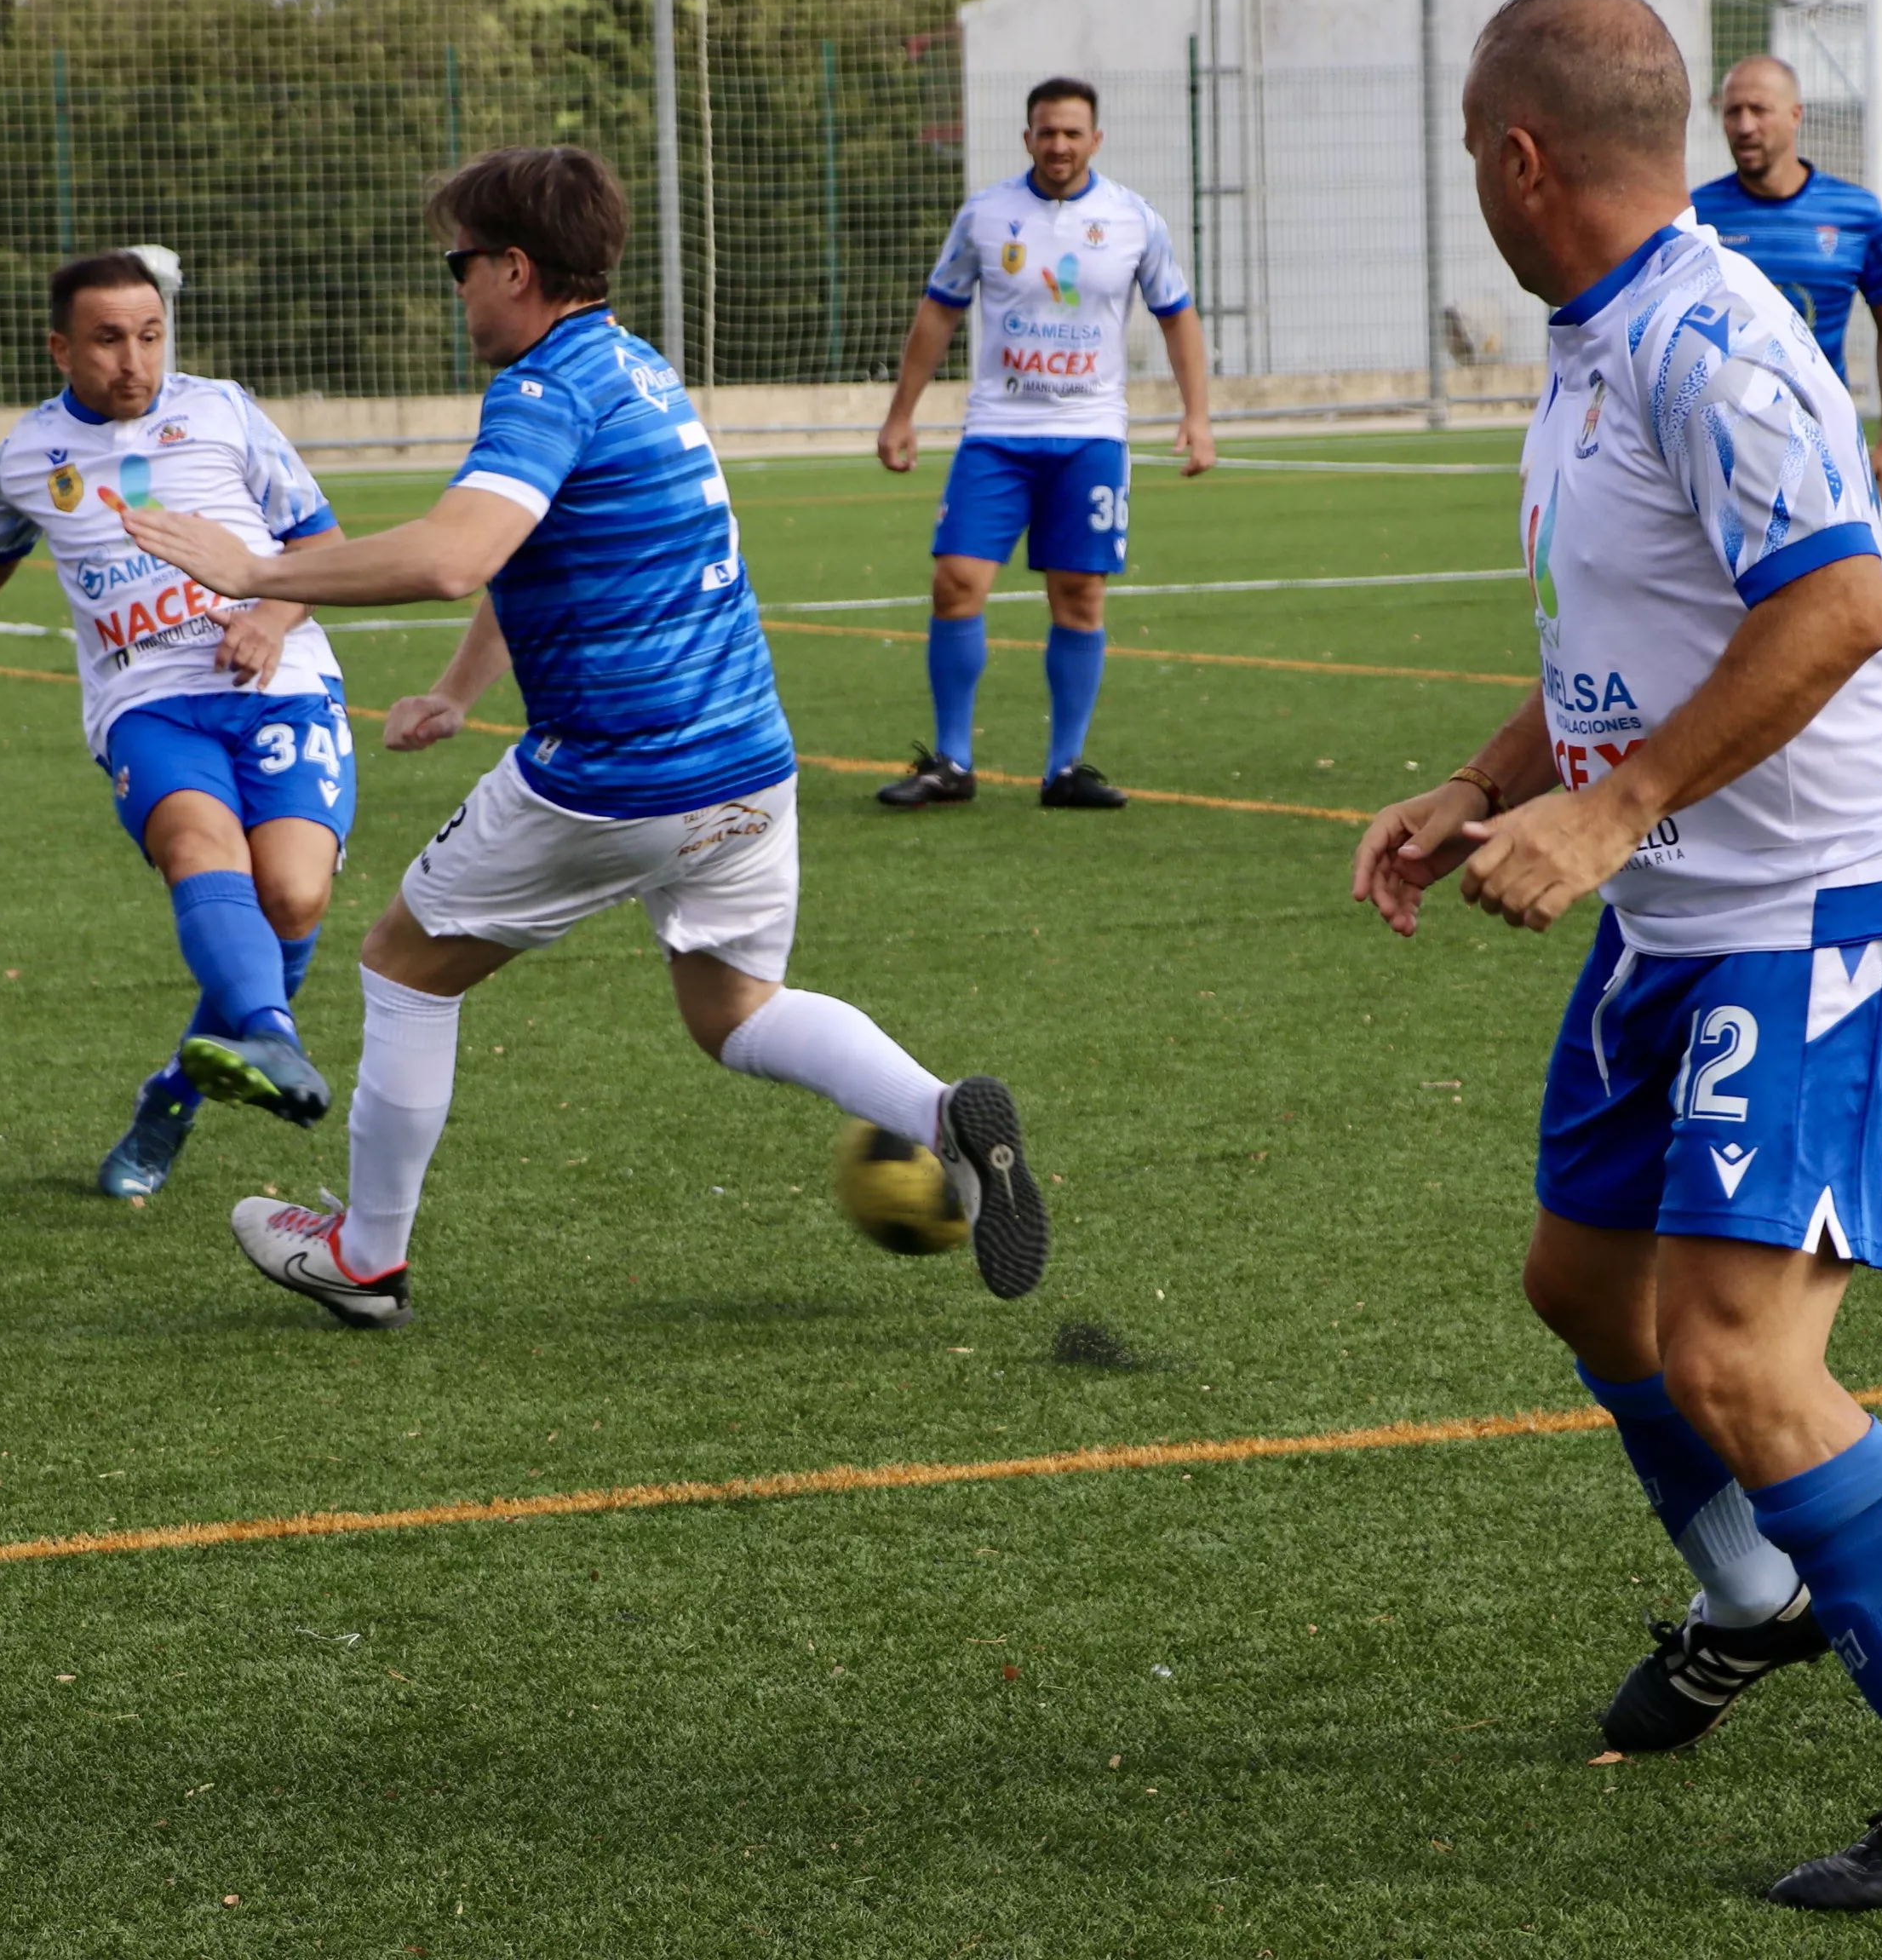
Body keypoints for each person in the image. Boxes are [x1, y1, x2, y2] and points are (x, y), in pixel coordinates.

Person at [1351, 0, 1882, 1910]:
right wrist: (1489, 779)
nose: (1471, 186)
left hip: (1813, 911)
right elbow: (1634, 620)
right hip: (1677, 912)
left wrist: (1609, 810)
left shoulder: (1710, 333)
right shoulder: (1597, 338)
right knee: (1585, 1282)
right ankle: (1751, 1586)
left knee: (1739, 1358)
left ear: (1521, 160)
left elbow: (1838, 603)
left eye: (1465, 155)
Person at [113, 145, 1048, 1328]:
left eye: (459, 265)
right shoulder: (639, 369)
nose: (454, 289)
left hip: (617, 774)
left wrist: (256, 568)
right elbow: (529, 553)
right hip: (749, 762)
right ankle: (939, 1112)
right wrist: (459, 689)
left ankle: (365, 1259)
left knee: (402, 963)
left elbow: (460, 552)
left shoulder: (545, 387)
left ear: (515, 267)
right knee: (736, 1012)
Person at [0, 250, 347, 1200]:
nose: (135, 360)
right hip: (147, 703)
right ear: (61, 347)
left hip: (282, 686)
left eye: (150, 334)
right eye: (108, 339)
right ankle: (273, 1036)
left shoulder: (225, 413)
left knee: (293, 899)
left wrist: (268, 617)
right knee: (198, 849)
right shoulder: (28, 455)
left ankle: (170, 1099)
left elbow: (319, 546)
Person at [869, 76, 1214, 812]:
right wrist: (902, 414)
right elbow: (939, 313)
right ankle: (953, 763)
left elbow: (1177, 316)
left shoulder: (1133, 220)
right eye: (1046, 132)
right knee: (956, 580)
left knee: (1079, 595)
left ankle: (1066, 768)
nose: (1058, 145)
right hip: (997, 434)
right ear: (1027, 138)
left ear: (1095, 139)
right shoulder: (987, 217)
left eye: (1072, 132)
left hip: (1090, 437)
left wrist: (1198, 416)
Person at [1694, 55, 1882, 509]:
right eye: (1732, 111)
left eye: (1759, 109)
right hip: (1722, 451)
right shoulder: (1695, 218)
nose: (1744, 125)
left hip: (1825, 444)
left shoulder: (1856, 216)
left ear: (1796, 115)